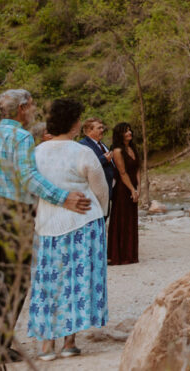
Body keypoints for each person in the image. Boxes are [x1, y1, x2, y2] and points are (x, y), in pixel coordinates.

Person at [0, 89, 92, 367]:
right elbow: (28, 178)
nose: (33, 110)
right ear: (21, 108)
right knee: (14, 283)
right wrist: (63, 197)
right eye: (31, 105)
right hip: (13, 214)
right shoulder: (20, 137)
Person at [28, 98, 110, 360]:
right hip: (83, 223)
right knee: (77, 282)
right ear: (75, 124)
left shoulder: (35, 153)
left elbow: (32, 189)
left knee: (47, 282)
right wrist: (102, 213)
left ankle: (45, 346)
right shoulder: (82, 152)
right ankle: (69, 343)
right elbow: (100, 189)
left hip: (47, 224)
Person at [108, 122, 140, 265]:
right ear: (120, 134)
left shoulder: (133, 148)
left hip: (134, 186)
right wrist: (132, 189)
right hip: (122, 188)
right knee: (122, 219)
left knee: (131, 219)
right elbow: (122, 172)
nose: (129, 133)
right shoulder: (117, 151)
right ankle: (120, 255)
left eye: (130, 130)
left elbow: (137, 169)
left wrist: (138, 188)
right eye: (126, 131)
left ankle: (131, 254)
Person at [78, 118, 117, 207]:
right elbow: (83, 166)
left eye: (102, 128)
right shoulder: (82, 145)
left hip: (108, 188)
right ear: (89, 130)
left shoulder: (101, 144)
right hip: (95, 192)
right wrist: (103, 159)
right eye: (99, 128)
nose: (102, 130)